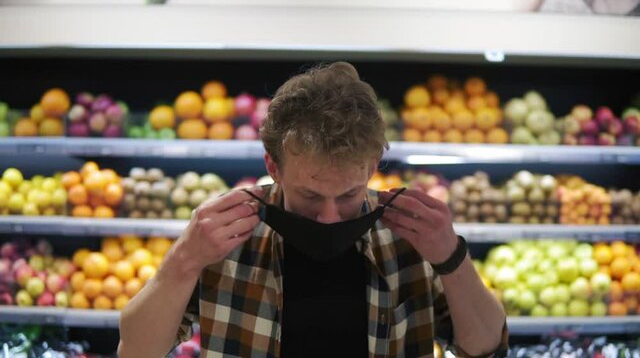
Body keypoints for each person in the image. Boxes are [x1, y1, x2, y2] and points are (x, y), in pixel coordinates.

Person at [118, 62, 508, 357]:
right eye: (309, 196)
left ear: (372, 167)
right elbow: (136, 350)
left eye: (349, 195)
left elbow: (486, 348)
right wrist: (183, 261)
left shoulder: (409, 234)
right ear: (273, 167)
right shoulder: (226, 232)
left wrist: (452, 258)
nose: (330, 217)